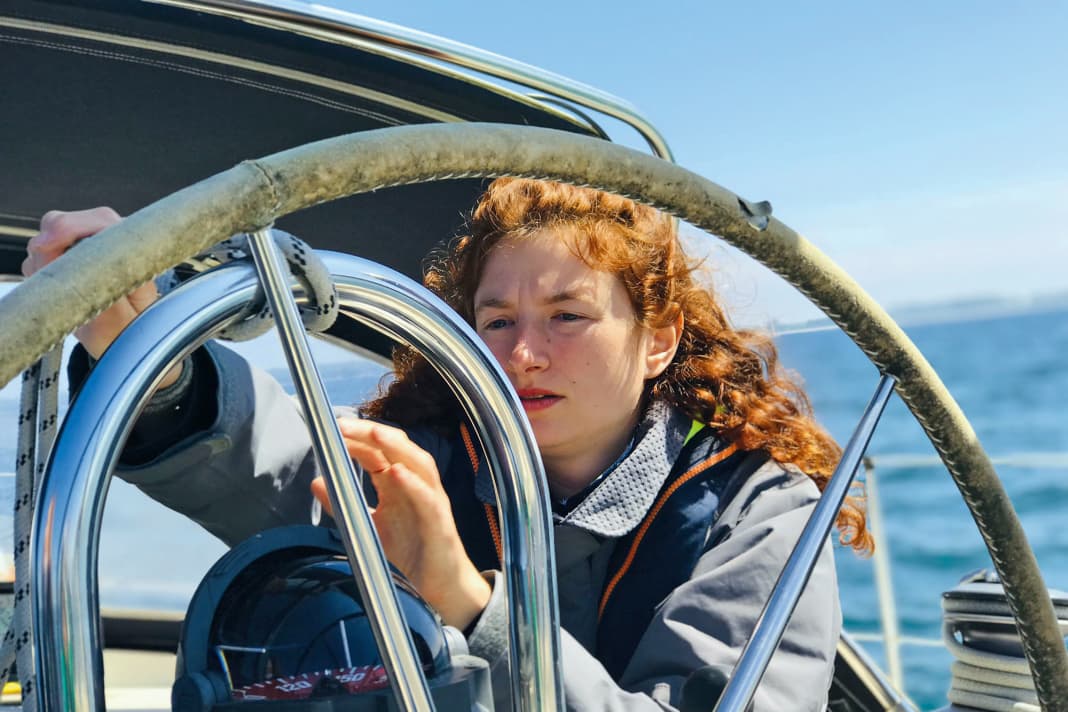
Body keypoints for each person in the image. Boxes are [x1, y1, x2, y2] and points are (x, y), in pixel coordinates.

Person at [25, 179, 871, 711]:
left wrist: (467, 601)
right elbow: (267, 460)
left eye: (567, 316)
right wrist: (147, 351)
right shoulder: (429, 463)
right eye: (496, 321)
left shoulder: (761, 513)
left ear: (659, 340)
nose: (522, 354)